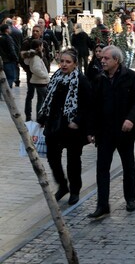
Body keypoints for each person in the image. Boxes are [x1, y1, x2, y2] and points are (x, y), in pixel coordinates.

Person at [88, 45, 135, 219]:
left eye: (106, 58)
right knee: (102, 169)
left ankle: (130, 198)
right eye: (102, 58)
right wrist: (90, 130)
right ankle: (102, 205)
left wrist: (130, 119)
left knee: (128, 166)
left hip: (124, 131)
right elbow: (93, 107)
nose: (102, 61)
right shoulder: (99, 79)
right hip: (105, 132)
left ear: (116, 60)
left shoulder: (131, 77)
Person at [37, 49, 92, 206]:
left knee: (73, 161)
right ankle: (62, 185)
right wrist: (42, 118)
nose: (64, 64)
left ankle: (75, 190)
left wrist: (78, 121)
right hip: (54, 125)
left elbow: (88, 105)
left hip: (72, 128)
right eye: (62, 61)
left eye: (68, 62)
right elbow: (48, 100)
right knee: (52, 158)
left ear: (75, 64)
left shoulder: (81, 80)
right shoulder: (56, 77)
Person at [21, 39, 49, 120]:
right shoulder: (36, 57)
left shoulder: (33, 55)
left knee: (42, 99)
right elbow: (35, 69)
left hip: (38, 80)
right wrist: (45, 75)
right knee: (45, 98)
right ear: (39, 47)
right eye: (42, 46)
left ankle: (39, 117)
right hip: (40, 81)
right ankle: (40, 118)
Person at [0, 23, 19, 88]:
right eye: (9, 28)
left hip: (2, 61)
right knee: (10, 78)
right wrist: (16, 59)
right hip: (8, 61)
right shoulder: (8, 38)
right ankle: (7, 94)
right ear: (6, 30)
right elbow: (12, 50)